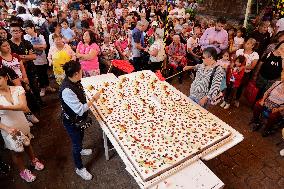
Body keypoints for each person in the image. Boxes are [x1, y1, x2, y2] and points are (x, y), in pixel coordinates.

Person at [0, 67, 44, 182]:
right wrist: (6, 128)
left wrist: (3, 107)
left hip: (22, 124)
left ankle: (34, 160)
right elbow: (20, 106)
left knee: (28, 144)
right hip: (9, 129)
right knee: (16, 152)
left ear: (5, 77)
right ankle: (23, 171)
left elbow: (24, 107)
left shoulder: (18, 89)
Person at [59, 60, 100, 180]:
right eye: (81, 71)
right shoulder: (67, 90)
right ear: (76, 73)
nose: (83, 72)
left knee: (81, 136)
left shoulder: (74, 81)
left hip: (78, 120)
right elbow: (80, 110)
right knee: (76, 144)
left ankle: (81, 149)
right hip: (71, 121)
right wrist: (93, 99)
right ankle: (79, 168)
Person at [23, 20, 55, 97]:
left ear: (32, 28)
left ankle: (47, 86)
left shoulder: (40, 35)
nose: (26, 31)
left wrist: (32, 46)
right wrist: (38, 47)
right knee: (39, 74)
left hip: (42, 58)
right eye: (25, 29)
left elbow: (44, 46)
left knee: (44, 73)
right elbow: (27, 48)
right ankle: (42, 88)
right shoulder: (25, 37)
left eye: (27, 29)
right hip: (33, 60)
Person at [250, 72, 284, 137]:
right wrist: (263, 100)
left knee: (273, 116)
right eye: (282, 75)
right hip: (268, 101)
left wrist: (278, 109)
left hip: (279, 106)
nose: (282, 77)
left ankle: (267, 129)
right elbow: (267, 92)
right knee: (257, 105)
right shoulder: (277, 83)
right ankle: (256, 122)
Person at [234, 38, 259, 107]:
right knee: (232, 84)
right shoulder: (239, 51)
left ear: (252, 46)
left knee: (240, 86)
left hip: (245, 73)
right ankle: (228, 98)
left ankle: (237, 99)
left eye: (248, 44)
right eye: (246, 43)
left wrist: (243, 67)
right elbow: (234, 60)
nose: (246, 45)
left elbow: (252, 66)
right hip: (236, 71)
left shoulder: (255, 55)